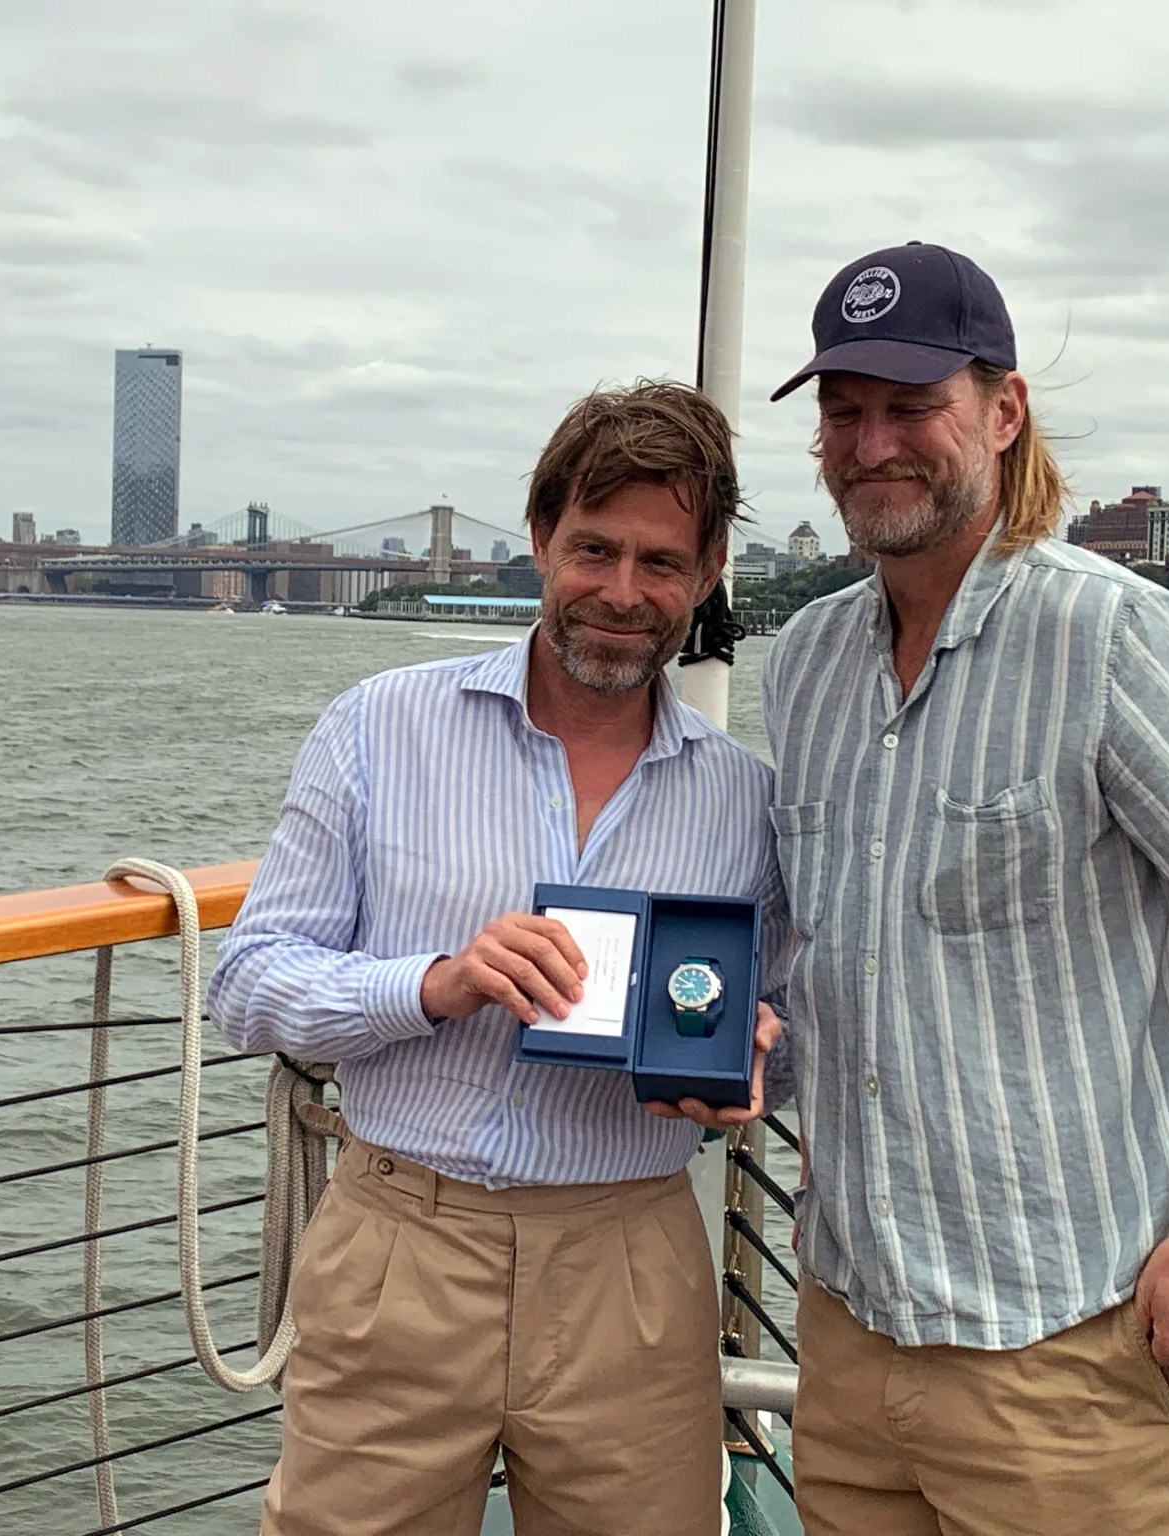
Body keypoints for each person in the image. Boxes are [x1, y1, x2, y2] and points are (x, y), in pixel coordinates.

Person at [760, 243, 1169, 1534]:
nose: (871, 445)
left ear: (1003, 411)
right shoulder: (804, 663)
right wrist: (752, 1050)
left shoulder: (1114, 636)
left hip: (1067, 1351)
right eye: (843, 411)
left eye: (912, 406)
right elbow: (832, 949)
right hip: (850, 1330)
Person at [208, 379, 790, 1536]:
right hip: (401, 1246)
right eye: (594, 549)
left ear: (711, 569)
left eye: (663, 563)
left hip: (631, 1258)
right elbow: (247, 983)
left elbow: (770, 1016)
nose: (624, 595)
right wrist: (434, 984)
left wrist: (758, 1053)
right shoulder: (378, 724)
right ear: (537, 537)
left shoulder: (748, 801)